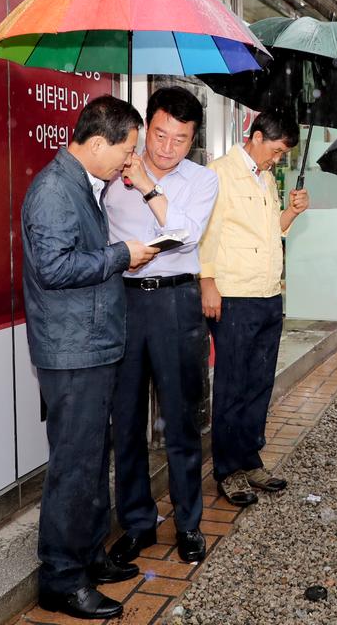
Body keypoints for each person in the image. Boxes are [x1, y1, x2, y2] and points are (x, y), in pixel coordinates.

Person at [21, 96, 159, 619]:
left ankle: (89, 555)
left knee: (94, 457)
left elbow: (79, 259)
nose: (129, 160)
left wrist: (119, 257)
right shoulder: (55, 190)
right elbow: (54, 269)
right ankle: (61, 578)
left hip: (91, 343)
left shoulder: (82, 184)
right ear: (98, 143)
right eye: (126, 150)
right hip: (72, 349)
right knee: (74, 467)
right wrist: (123, 255)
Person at [104, 87, 219, 565]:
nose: (167, 147)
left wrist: (148, 186)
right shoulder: (113, 173)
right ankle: (137, 522)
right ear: (145, 127)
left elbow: (186, 235)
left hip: (177, 302)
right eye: (159, 134)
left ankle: (188, 523)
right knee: (127, 419)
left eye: (180, 139)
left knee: (180, 419)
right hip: (124, 301)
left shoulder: (202, 180)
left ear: (193, 141)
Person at [199, 112, 309, 507]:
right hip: (234, 296)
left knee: (259, 384)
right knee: (232, 385)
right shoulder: (219, 174)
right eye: (276, 151)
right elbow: (206, 234)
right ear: (257, 137)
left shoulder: (264, 179)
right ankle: (228, 470)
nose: (277, 160)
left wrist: (292, 212)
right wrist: (207, 282)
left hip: (268, 295)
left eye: (283, 155)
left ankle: (249, 458)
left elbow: (270, 232)